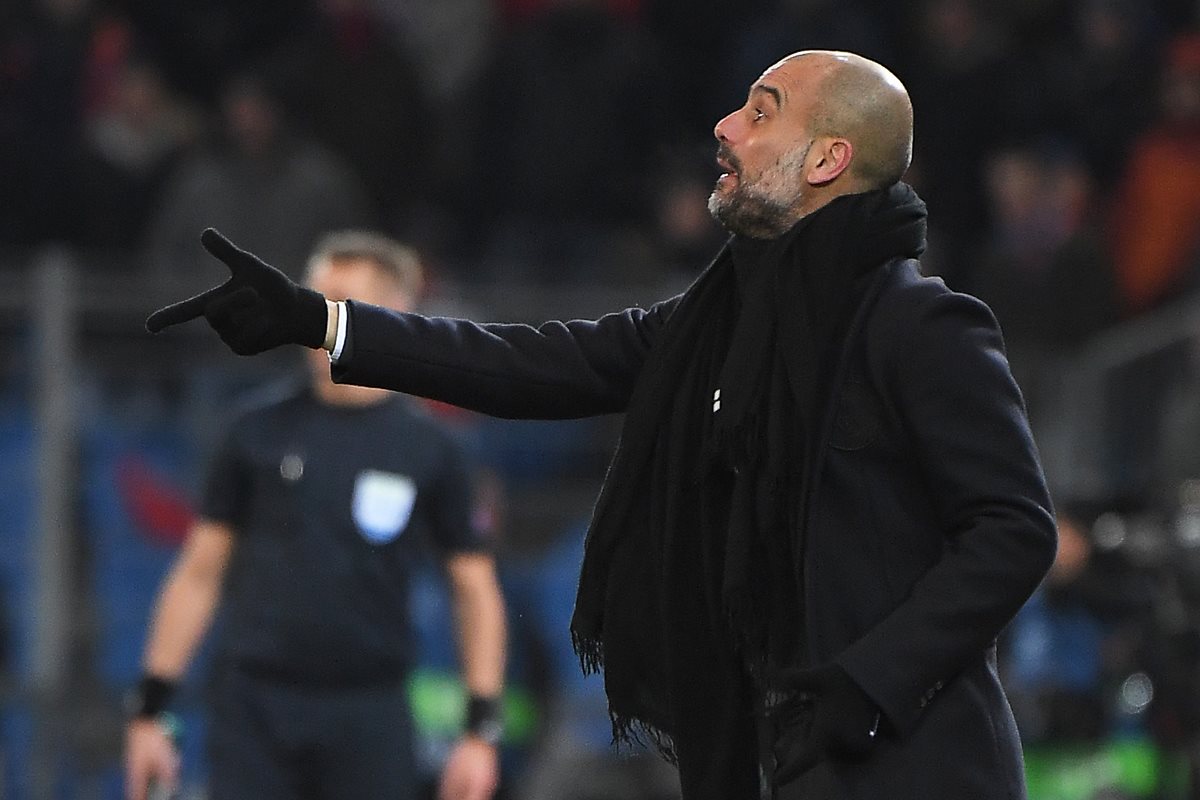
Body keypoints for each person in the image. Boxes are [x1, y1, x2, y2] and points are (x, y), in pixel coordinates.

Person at [146, 50, 1058, 800]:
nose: (726, 129)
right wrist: (322, 322)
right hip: (774, 758)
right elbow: (528, 363)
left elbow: (1013, 530)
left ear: (823, 161)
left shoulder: (923, 325)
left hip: (916, 765)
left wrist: (869, 684)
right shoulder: (717, 322)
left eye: (760, 111)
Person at [127, 232, 507, 800]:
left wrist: (480, 732)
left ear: (391, 312)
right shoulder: (251, 431)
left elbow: (473, 590)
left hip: (370, 710)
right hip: (254, 708)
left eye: (336, 300)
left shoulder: (432, 450)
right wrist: (151, 710)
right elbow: (198, 573)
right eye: (311, 295)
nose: (308, 314)